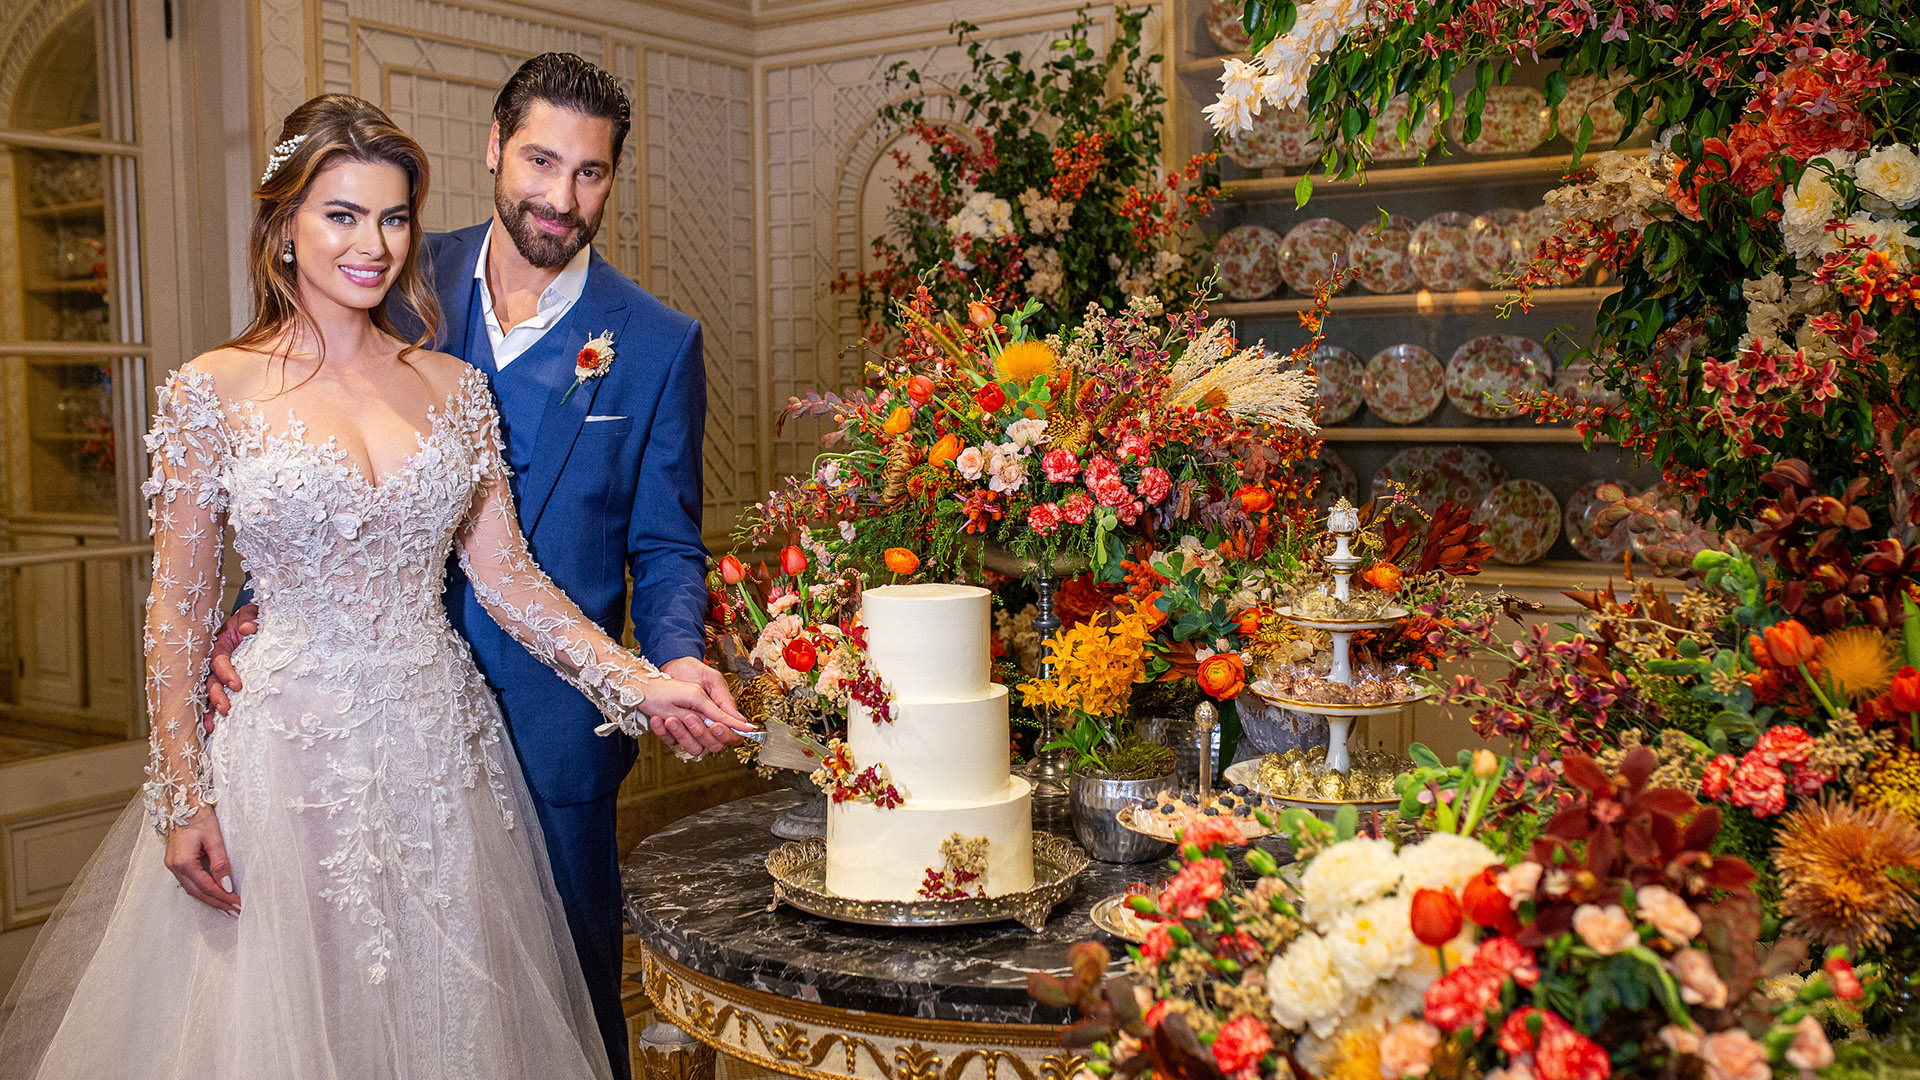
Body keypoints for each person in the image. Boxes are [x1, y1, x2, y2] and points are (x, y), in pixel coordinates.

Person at [0, 94, 752, 1080]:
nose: (375, 245)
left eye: (394, 217)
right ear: (284, 225)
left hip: (437, 752)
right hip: (282, 757)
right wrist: (183, 798)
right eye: (342, 215)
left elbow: (509, 579)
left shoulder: (450, 387)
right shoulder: (209, 390)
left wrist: (640, 682)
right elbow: (176, 618)